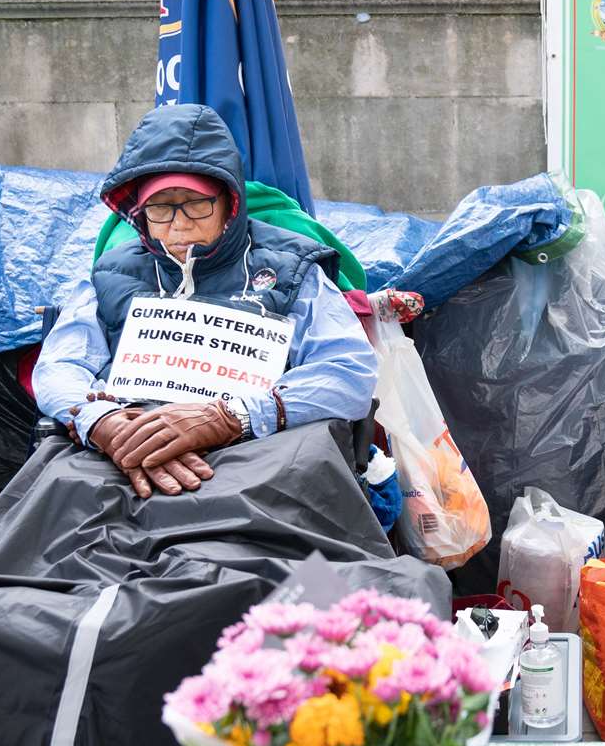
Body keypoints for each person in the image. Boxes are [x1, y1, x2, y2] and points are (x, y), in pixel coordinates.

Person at [34, 104, 377, 497]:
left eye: (196, 203)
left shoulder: (292, 268)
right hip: (122, 455)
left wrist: (229, 416)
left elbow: (348, 373)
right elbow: (60, 366)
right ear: (140, 213)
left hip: (258, 458)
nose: (178, 224)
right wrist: (103, 421)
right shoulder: (108, 274)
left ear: (229, 202)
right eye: (160, 208)